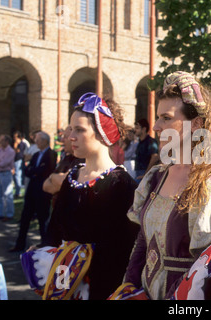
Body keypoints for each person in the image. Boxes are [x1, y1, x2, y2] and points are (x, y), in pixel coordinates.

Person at [120, 71, 211, 300]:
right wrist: (129, 289)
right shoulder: (156, 177)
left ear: (196, 124)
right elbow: (143, 244)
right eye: (158, 117)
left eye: (166, 118)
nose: (155, 126)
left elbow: (210, 266)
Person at [41, 93, 139, 300]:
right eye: (71, 129)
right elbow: (55, 228)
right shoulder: (73, 176)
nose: (70, 137)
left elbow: (124, 249)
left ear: (101, 133)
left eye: (79, 130)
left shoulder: (122, 184)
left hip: (101, 288)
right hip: (65, 282)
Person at [10, 132, 57, 252]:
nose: (36, 142)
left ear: (45, 141)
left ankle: (45, 247)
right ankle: (19, 244)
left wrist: (34, 171)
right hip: (31, 191)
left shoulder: (51, 154)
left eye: (38, 140)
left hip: (42, 193)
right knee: (25, 219)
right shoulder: (36, 155)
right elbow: (27, 170)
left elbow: (45, 170)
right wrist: (34, 171)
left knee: (43, 221)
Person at [42, 125, 85, 199]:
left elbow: (62, 183)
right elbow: (46, 186)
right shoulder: (67, 159)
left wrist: (52, 177)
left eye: (65, 137)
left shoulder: (84, 160)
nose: (62, 140)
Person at [0, 135, 15, 222]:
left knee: (8, 195)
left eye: (2, 141)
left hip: (6, 173)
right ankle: (0, 214)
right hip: (0, 173)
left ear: (7, 142)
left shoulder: (11, 151)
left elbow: (4, 163)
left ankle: (9, 214)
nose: (0, 142)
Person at [134, 118, 159, 183]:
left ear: (144, 129)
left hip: (145, 173)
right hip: (138, 172)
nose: (135, 130)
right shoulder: (140, 142)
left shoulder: (151, 141)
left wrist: (146, 174)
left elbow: (155, 157)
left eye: (137, 128)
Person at [12, 131, 28, 198]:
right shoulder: (16, 143)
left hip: (19, 160)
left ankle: (18, 192)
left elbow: (18, 152)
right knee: (15, 176)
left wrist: (15, 145)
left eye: (15, 137)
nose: (14, 138)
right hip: (15, 160)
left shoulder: (22, 144)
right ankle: (17, 191)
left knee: (17, 175)